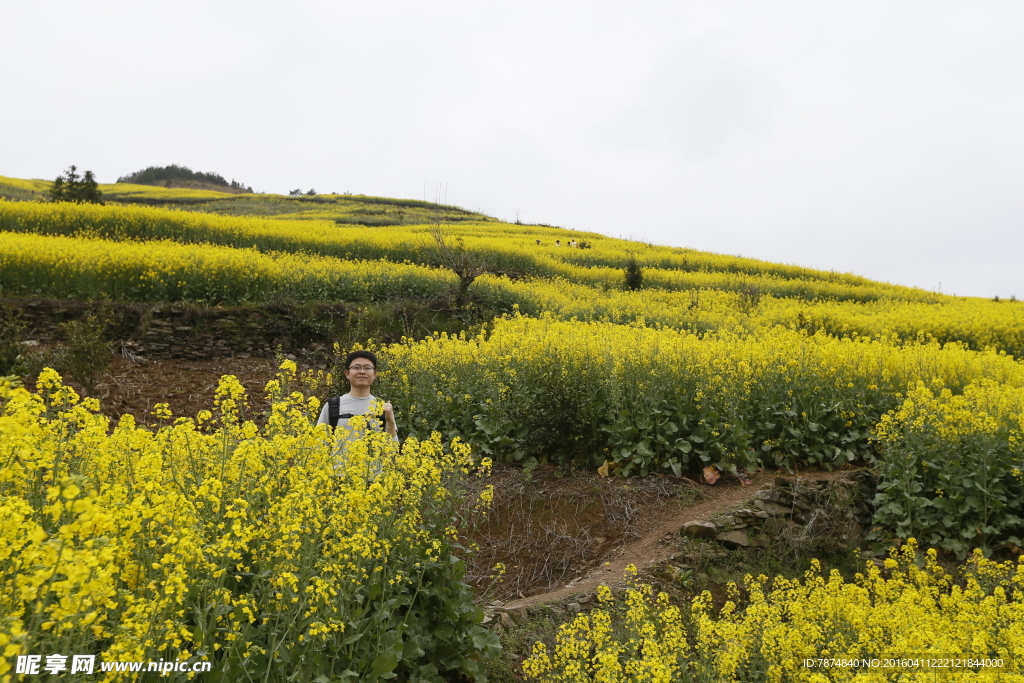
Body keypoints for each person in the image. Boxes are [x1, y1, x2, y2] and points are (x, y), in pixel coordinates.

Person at [316, 351, 398, 472]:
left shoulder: (382, 407)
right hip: (338, 480)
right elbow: (319, 446)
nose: (362, 371)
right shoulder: (333, 406)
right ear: (347, 373)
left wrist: (390, 421)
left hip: (372, 481)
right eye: (356, 367)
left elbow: (392, 451)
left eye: (367, 368)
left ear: (375, 374)